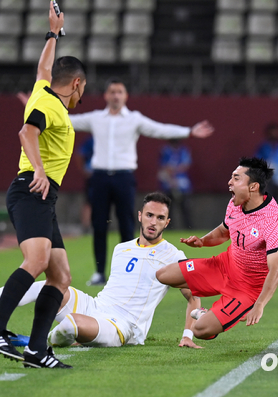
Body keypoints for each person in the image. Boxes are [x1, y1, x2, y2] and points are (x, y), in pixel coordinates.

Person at [0, 3, 86, 369]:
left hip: (42, 196)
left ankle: (37, 350)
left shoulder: (42, 88)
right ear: (77, 84)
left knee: (61, 276)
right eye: (82, 90)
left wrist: (53, 32)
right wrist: (38, 169)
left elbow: (42, 67)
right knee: (37, 262)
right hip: (32, 189)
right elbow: (26, 132)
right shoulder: (52, 108)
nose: (81, 96)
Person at [0, 192, 203, 349]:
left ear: (167, 222)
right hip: (95, 306)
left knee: (71, 325)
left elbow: (193, 295)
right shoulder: (122, 248)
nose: (153, 222)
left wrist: (187, 336)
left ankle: (36, 343)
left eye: (160, 218)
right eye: (149, 215)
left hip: (123, 325)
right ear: (140, 216)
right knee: (50, 286)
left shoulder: (172, 255)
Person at [69, 78, 214, 286]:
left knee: (127, 225)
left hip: (124, 176)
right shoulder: (95, 118)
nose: (116, 95)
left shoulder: (134, 119)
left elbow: (159, 129)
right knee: (99, 225)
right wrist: (37, 107)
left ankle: (128, 271)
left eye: (120, 92)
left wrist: (189, 131)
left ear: (125, 96)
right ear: (106, 96)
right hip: (99, 176)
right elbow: (67, 121)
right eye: (112, 92)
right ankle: (99, 272)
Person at [155, 157, 278, 340]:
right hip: (223, 266)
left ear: (253, 186)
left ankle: (210, 315)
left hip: (246, 290)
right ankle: (212, 311)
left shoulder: (273, 219)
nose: (230, 182)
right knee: (163, 275)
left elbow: (276, 269)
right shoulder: (235, 203)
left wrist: (259, 305)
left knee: (199, 330)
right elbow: (224, 231)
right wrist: (203, 241)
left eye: (236, 178)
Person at [158, 139, 193, 229]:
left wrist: (174, 170)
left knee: (185, 207)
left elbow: (185, 165)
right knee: (169, 208)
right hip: (169, 183)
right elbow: (163, 166)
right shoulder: (165, 151)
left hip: (181, 183)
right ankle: (169, 228)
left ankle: (188, 227)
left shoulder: (183, 151)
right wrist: (170, 177)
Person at [254, 123, 278, 206]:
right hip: (267, 179)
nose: (274, 134)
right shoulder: (262, 147)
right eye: (272, 132)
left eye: (276, 132)